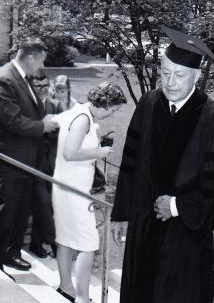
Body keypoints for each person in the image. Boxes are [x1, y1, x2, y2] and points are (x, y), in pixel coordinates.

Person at [111, 25, 214, 303]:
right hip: (143, 225)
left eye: (180, 75)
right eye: (165, 73)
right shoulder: (148, 103)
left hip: (185, 235)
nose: (171, 82)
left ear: (196, 76)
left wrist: (177, 206)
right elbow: (130, 163)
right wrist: (122, 213)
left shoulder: (212, 117)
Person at [52, 81, 126, 303]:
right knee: (89, 243)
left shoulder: (79, 113)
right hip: (75, 190)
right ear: (105, 103)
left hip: (66, 186)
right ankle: (83, 297)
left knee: (66, 239)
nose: (113, 114)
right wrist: (98, 151)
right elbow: (70, 152)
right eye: (113, 109)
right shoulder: (84, 119)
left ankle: (66, 287)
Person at [0, 40, 59, 272]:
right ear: (31, 57)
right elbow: (10, 120)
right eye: (42, 60)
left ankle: (12, 251)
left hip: (27, 160)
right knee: (10, 208)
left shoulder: (21, 78)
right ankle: (5, 253)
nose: (42, 65)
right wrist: (41, 127)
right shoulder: (5, 78)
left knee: (21, 208)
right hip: (11, 159)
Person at [29, 68, 62, 259]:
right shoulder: (24, 105)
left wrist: (54, 126)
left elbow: (62, 133)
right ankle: (54, 242)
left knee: (47, 205)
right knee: (42, 203)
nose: (42, 89)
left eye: (45, 85)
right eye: (37, 86)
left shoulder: (55, 105)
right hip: (29, 164)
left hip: (50, 164)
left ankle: (35, 243)